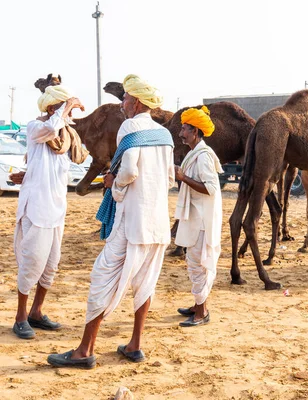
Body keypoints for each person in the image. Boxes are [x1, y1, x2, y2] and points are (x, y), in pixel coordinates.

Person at [47, 75, 174, 369]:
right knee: (145, 284)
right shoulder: (164, 135)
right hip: (158, 224)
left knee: (102, 280)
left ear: (137, 102)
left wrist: (113, 186)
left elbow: (128, 171)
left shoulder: (130, 126)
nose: (123, 104)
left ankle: (84, 351)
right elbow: (169, 178)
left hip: (132, 223)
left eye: (126, 99)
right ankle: (135, 345)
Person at [11, 86, 86, 339]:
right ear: (53, 108)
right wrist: (67, 106)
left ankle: (36, 312)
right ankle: (20, 317)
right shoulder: (36, 128)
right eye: (66, 107)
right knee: (32, 262)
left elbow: (48, 167)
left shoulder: (64, 136)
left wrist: (27, 174)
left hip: (57, 210)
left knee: (51, 265)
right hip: (37, 209)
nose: (71, 113)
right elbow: (49, 129)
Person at [174, 107, 223, 327]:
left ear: (196, 132)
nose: (181, 133)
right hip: (196, 216)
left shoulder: (203, 157)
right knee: (194, 261)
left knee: (199, 263)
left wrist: (183, 178)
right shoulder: (195, 153)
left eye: (185, 129)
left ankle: (201, 312)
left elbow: (211, 188)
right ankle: (198, 304)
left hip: (202, 219)